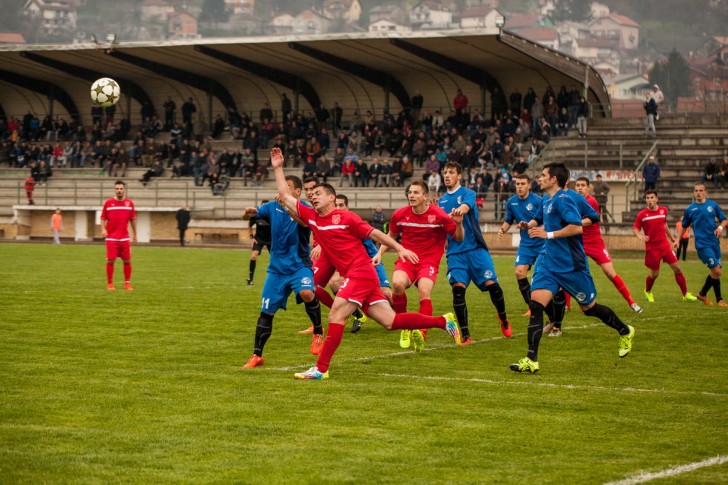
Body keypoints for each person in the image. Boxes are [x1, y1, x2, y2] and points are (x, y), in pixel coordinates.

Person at [270, 147, 461, 380]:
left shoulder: (348, 218)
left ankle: (320, 369)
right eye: (310, 194)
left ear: (332, 197)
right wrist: (278, 167)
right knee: (391, 322)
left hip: (359, 273)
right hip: (362, 277)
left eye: (317, 193)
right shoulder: (313, 217)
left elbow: (376, 235)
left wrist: (399, 247)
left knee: (336, 315)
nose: (312, 195)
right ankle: (443, 321)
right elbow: (285, 195)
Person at [510, 163, 636, 374]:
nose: (539, 179)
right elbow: (541, 220)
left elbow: (576, 227)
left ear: (554, 180)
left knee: (589, 309)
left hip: (572, 266)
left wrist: (547, 234)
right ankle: (531, 359)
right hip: (549, 263)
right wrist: (529, 225)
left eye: (543, 176)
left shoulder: (565, 200)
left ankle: (625, 330)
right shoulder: (547, 200)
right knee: (536, 304)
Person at [241, 176, 324, 368]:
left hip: (299, 266)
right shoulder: (271, 207)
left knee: (307, 293)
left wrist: (287, 206)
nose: (282, 191)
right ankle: (257, 355)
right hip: (277, 270)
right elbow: (248, 217)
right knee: (266, 312)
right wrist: (247, 213)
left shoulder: (306, 208)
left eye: (287, 188)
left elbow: (304, 223)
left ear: (297, 192)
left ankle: (318, 331)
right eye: (281, 187)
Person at [375, 180, 464, 351]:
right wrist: (379, 253)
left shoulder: (439, 215)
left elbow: (459, 238)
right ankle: (404, 328)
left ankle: (422, 333)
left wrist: (459, 223)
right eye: (410, 192)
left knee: (424, 290)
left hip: (429, 261)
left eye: (416, 193)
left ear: (425, 197)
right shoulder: (400, 214)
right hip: (407, 259)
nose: (411, 195)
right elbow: (391, 235)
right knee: (397, 284)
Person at [438, 161, 512, 345]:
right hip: (455, 254)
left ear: (459, 176)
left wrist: (458, 211)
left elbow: (465, 207)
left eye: (451, 172)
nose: (447, 175)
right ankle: (466, 335)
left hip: (476, 250)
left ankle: (503, 318)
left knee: (492, 286)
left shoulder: (468, 193)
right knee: (458, 291)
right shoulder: (441, 201)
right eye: (445, 172)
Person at [574, 177, 643, 313]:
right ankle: (567, 305)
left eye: (583, 185)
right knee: (570, 272)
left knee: (610, 273)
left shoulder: (591, 201)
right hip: (579, 243)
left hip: (595, 243)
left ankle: (632, 302)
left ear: (588, 188)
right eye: (577, 185)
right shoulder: (572, 201)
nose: (580, 187)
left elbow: (587, 220)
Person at [632, 190, 697, 303]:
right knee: (655, 274)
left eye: (652, 197)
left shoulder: (663, 210)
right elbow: (635, 228)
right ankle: (648, 291)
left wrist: (672, 238)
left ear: (656, 199)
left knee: (677, 268)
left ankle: (685, 294)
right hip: (652, 248)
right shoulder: (642, 214)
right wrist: (639, 236)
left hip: (665, 245)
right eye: (647, 198)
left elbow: (664, 224)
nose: (649, 200)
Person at [674, 182, 728, 306]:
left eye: (700, 190)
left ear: (705, 192)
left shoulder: (713, 205)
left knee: (715, 271)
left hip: (714, 243)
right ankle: (719, 300)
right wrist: (677, 240)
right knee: (717, 271)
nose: (698, 193)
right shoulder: (690, 209)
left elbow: (724, 220)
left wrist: (720, 228)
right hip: (703, 246)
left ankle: (703, 294)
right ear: (694, 193)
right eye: (696, 191)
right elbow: (684, 226)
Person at [497, 174, 544, 313]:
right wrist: (502, 229)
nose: (520, 187)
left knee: (541, 275)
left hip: (542, 243)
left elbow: (547, 219)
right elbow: (509, 220)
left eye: (523, 184)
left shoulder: (538, 201)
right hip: (526, 245)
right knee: (519, 272)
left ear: (529, 185)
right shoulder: (512, 202)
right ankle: (532, 306)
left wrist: (540, 229)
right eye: (518, 184)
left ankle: (556, 303)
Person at [100, 180, 137, 291]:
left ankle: (127, 284)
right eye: (117, 188)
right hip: (111, 238)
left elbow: (133, 220)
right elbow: (103, 218)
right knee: (111, 260)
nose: (119, 190)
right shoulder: (108, 203)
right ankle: (110, 283)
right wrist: (103, 229)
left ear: (124, 190)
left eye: (121, 188)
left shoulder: (129, 203)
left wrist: (135, 235)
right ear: (114, 190)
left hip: (125, 238)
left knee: (127, 260)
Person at [245, 199, 271, 285]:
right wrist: (251, 237)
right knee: (253, 256)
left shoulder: (273, 216)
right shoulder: (256, 216)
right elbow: (249, 225)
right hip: (259, 239)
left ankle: (277, 279)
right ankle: (250, 279)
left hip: (271, 239)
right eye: (263, 206)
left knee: (275, 259)